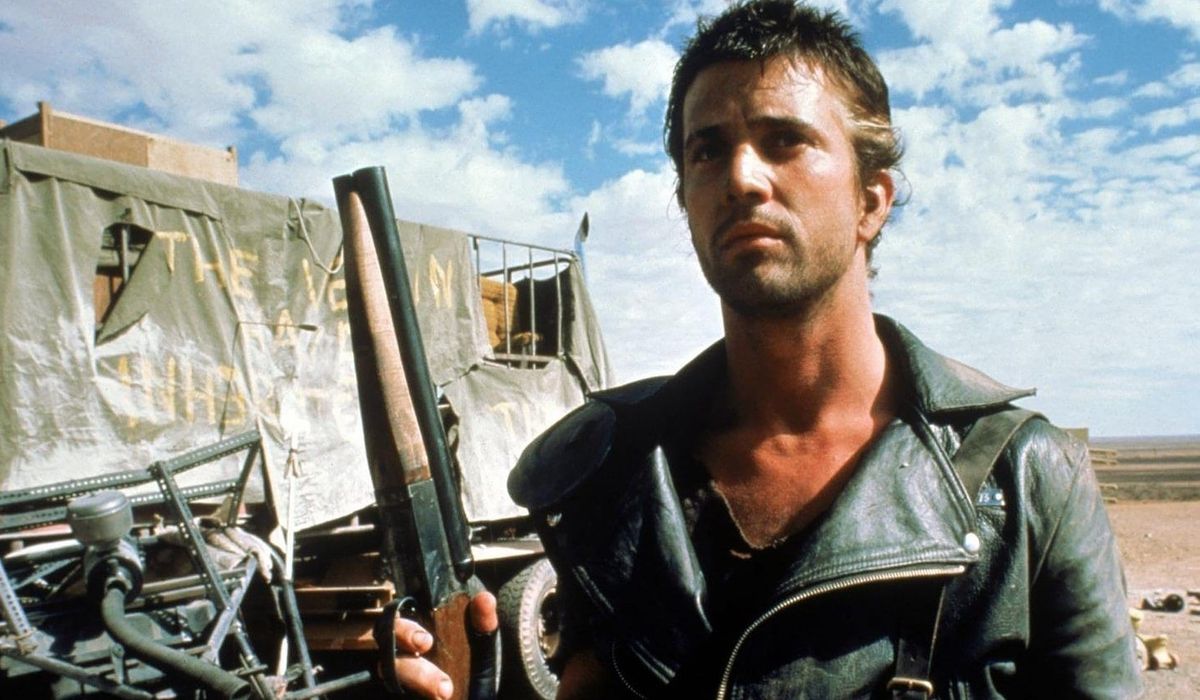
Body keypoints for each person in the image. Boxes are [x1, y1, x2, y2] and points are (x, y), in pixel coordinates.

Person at [389, 1, 1142, 697]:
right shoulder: (609, 470)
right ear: (686, 202)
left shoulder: (1024, 480)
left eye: (785, 140)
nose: (742, 178)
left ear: (871, 200)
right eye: (708, 151)